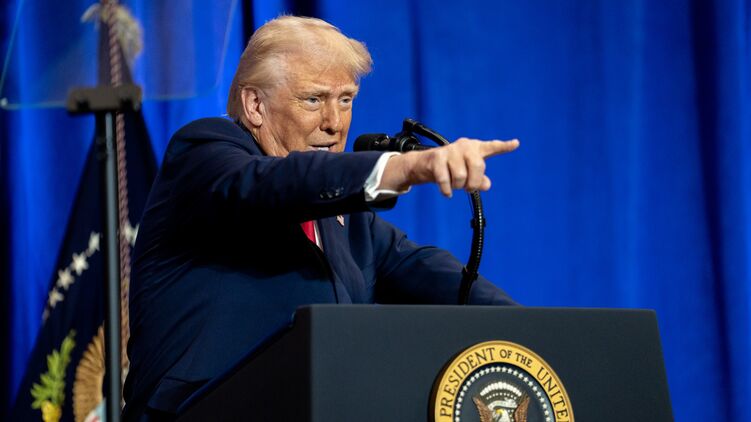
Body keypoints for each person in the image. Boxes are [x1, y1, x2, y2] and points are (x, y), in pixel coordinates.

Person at [123, 15, 519, 420]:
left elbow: (433, 274)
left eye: (345, 100)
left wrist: (532, 333)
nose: (334, 123)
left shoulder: (351, 224)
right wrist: (405, 167)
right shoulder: (204, 154)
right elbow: (278, 183)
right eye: (313, 100)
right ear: (255, 105)